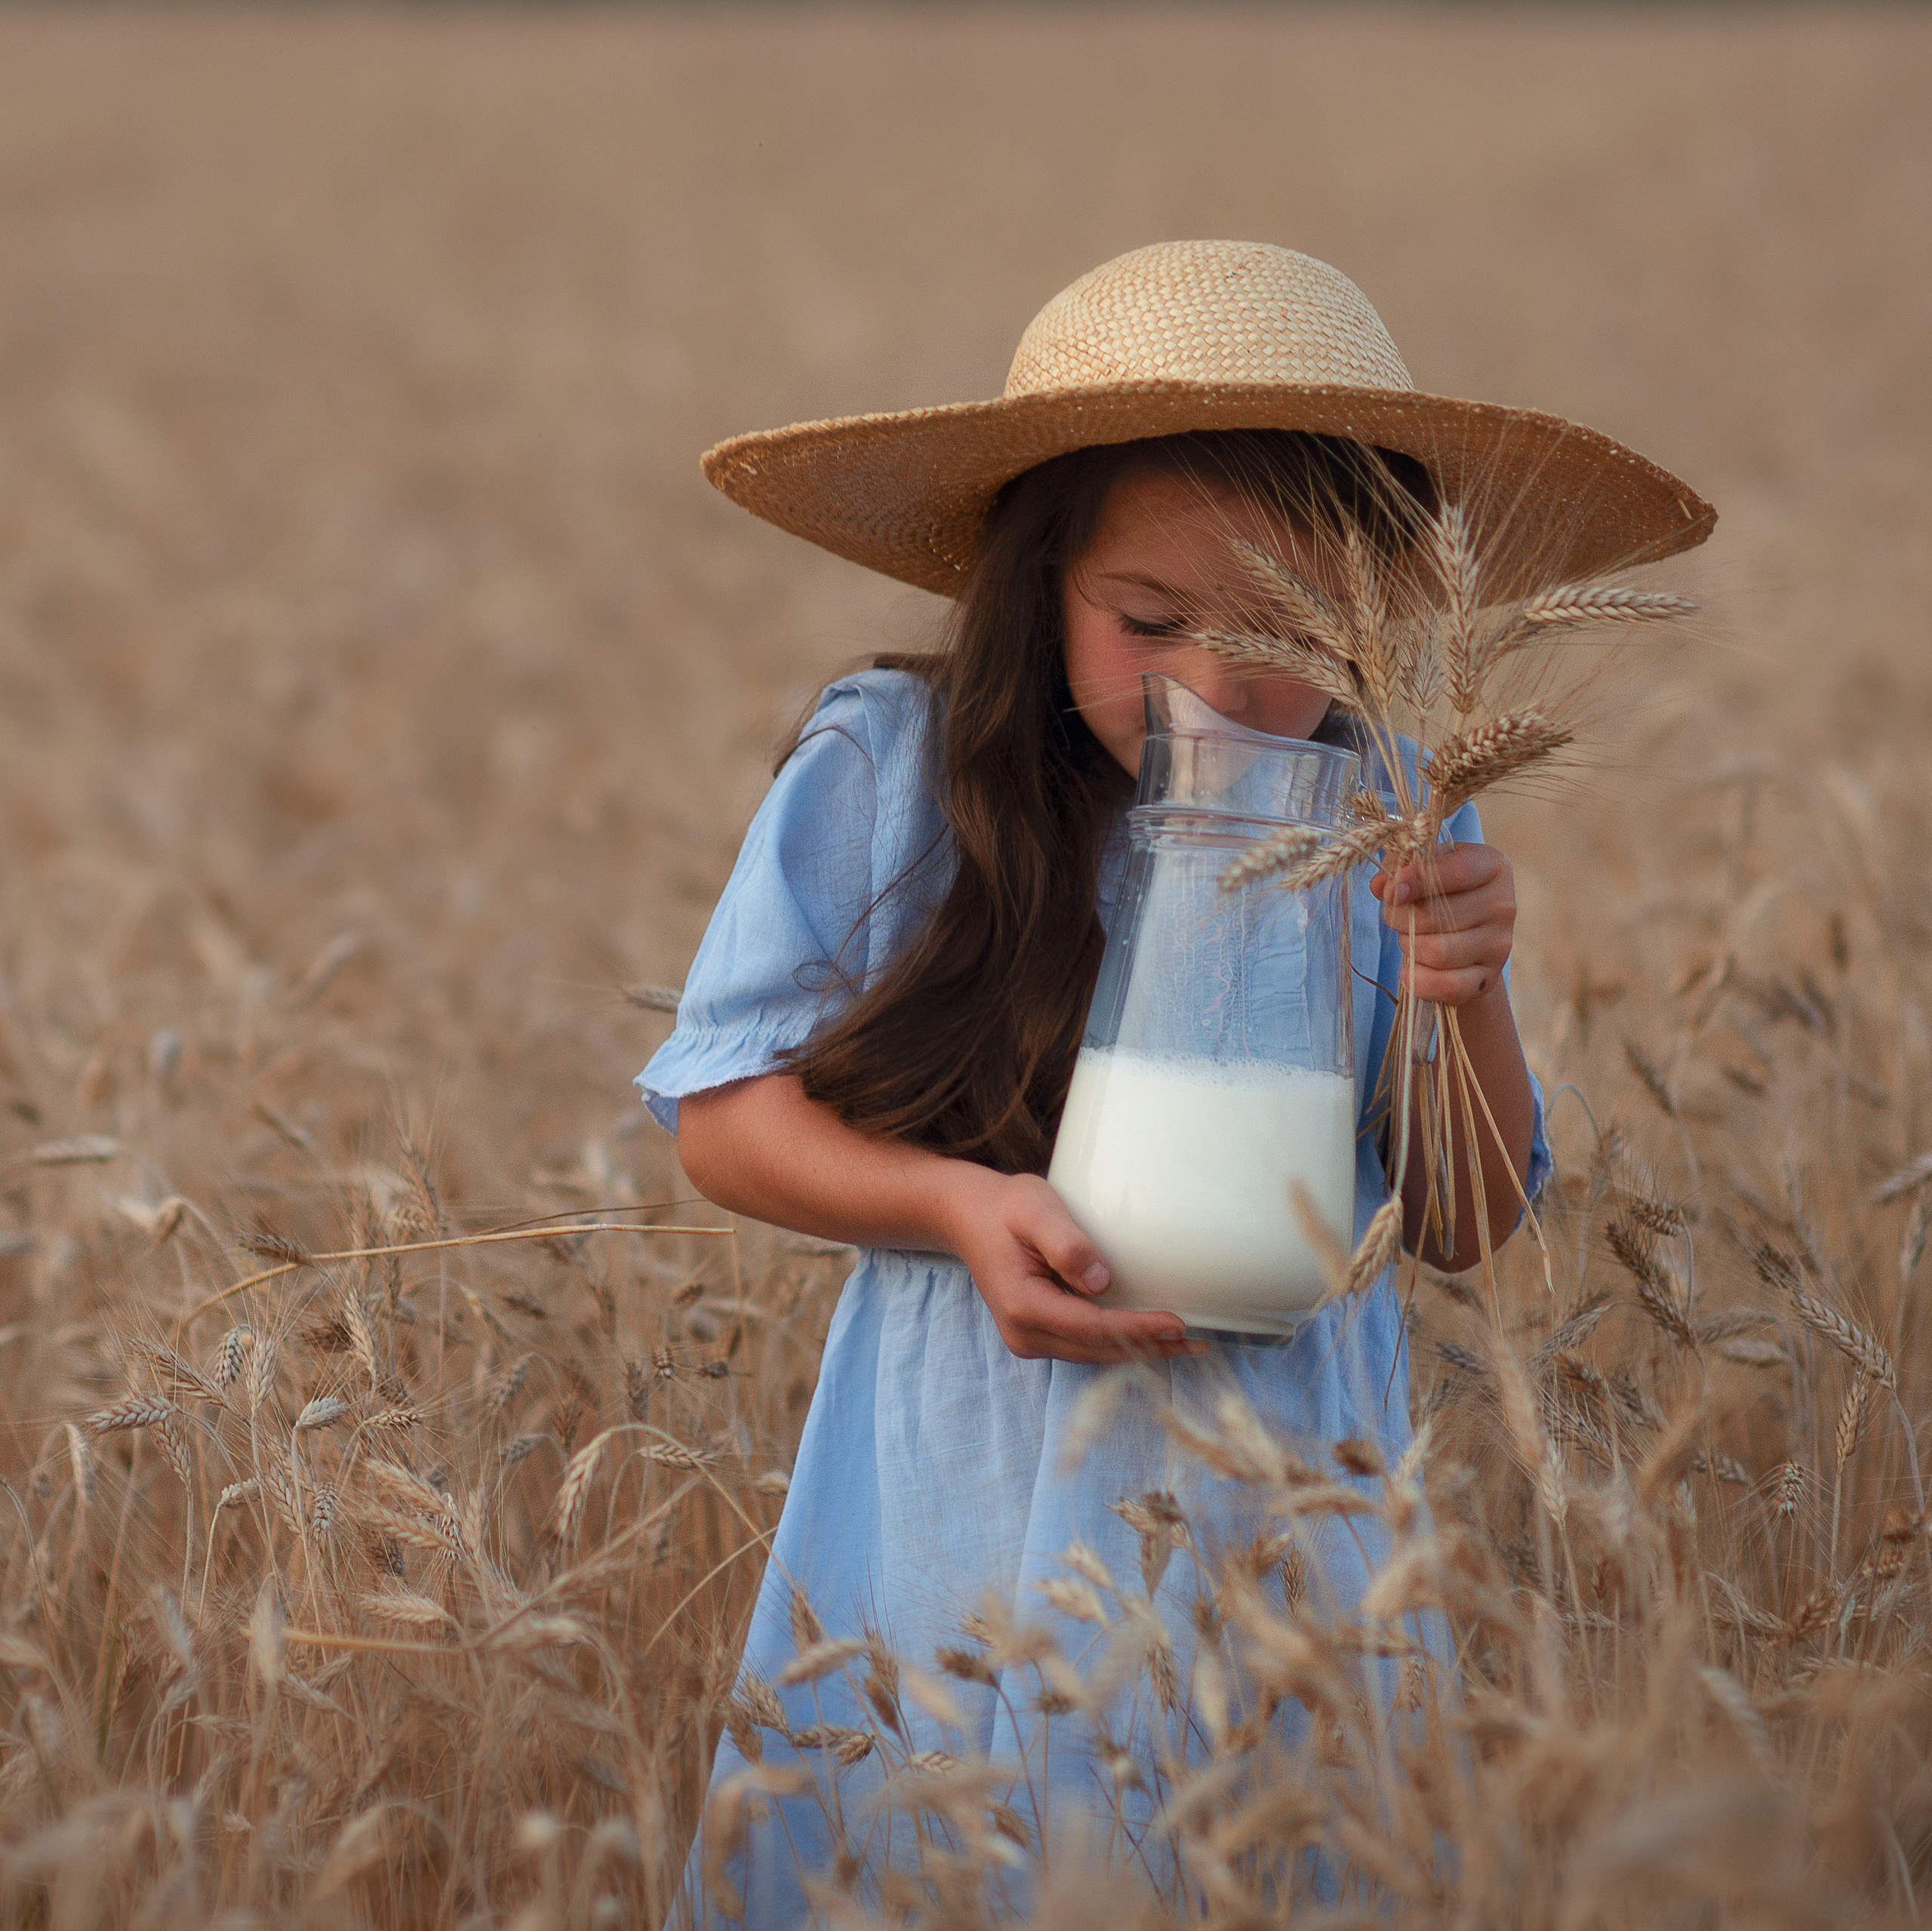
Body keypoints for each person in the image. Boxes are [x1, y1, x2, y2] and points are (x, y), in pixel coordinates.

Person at [639, 241, 1715, 1924]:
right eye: (1150, 623)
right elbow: (723, 1119)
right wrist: (954, 1199)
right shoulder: (895, 776)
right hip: (958, 1502)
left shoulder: (1398, 802)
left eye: (1295, 630)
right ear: (1037, 578)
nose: (1222, 684)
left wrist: (1464, 986)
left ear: (1385, 607)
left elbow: (1463, 1217)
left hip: (1281, 1518)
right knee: (945, 1849)